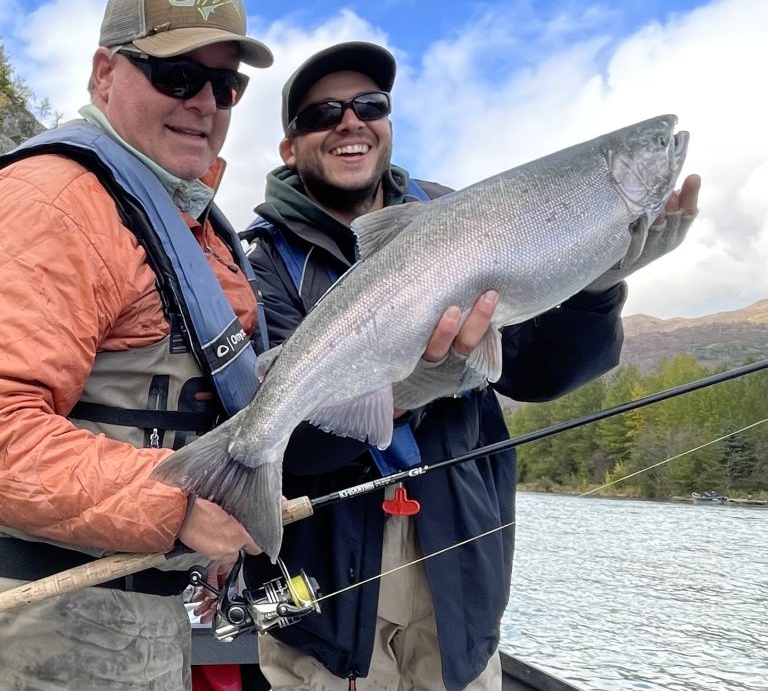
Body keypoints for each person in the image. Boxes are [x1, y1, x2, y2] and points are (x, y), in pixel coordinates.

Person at [241, 41, 700, 691]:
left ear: (388, 125)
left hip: (460, 598)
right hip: (325, 612)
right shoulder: (254, 265)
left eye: (370, 104)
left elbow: (540, 374)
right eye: (323, 113)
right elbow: (288, 449)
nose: (351, 121)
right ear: (290, 146)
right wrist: (406, 388)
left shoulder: (458, 213)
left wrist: (598, 287)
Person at [0, 0, 273, 691]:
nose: (203, 103)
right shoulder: (53, 204)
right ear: (104, 75)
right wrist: (179, 504)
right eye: (176, 74)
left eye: (225, 84)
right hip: (44, 634)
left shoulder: (195, 225)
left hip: (139, 627)